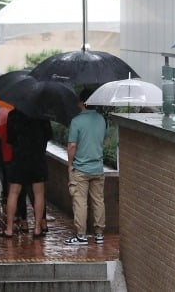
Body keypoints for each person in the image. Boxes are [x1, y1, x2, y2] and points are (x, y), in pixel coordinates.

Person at [65, 89, 107, 245]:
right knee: (98, 201)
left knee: (80, 201)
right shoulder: (102, 120)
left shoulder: (77, 121)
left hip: (81, 169)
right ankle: (99, 234)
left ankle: (81, 235)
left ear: (82, 103)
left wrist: (70, 165)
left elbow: (72, 145)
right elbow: (101, 141)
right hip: (98, 167)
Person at [1, 109, 52, 238]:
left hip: (19, 158)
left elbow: (10, 139)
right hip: (37, 158)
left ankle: (9, 229)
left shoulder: (13, 114)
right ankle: (37, 228)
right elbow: (49, 135)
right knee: (38, 193)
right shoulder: (42, 114)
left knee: (13, 192)